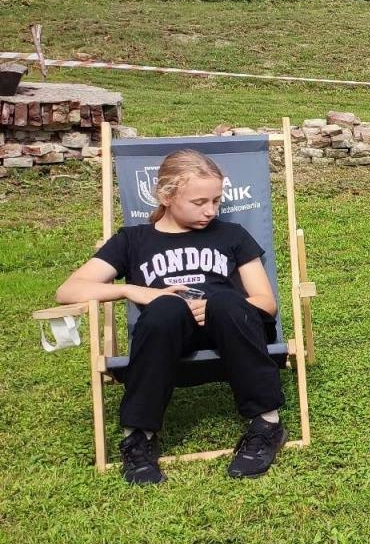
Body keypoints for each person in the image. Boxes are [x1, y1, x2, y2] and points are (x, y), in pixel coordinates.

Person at [55, 150, 288, 485]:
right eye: (199, 202)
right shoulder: (133, 240)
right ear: (165, 195)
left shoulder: (232, 235)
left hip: (231, 327)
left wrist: (213, 303)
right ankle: (139, 439)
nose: (211, 210)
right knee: (166, 307)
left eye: (217, 200)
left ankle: (266, 424)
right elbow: (68, 290)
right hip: (167, 334)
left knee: (225, 301)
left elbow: (266, 304)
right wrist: (135, 292)